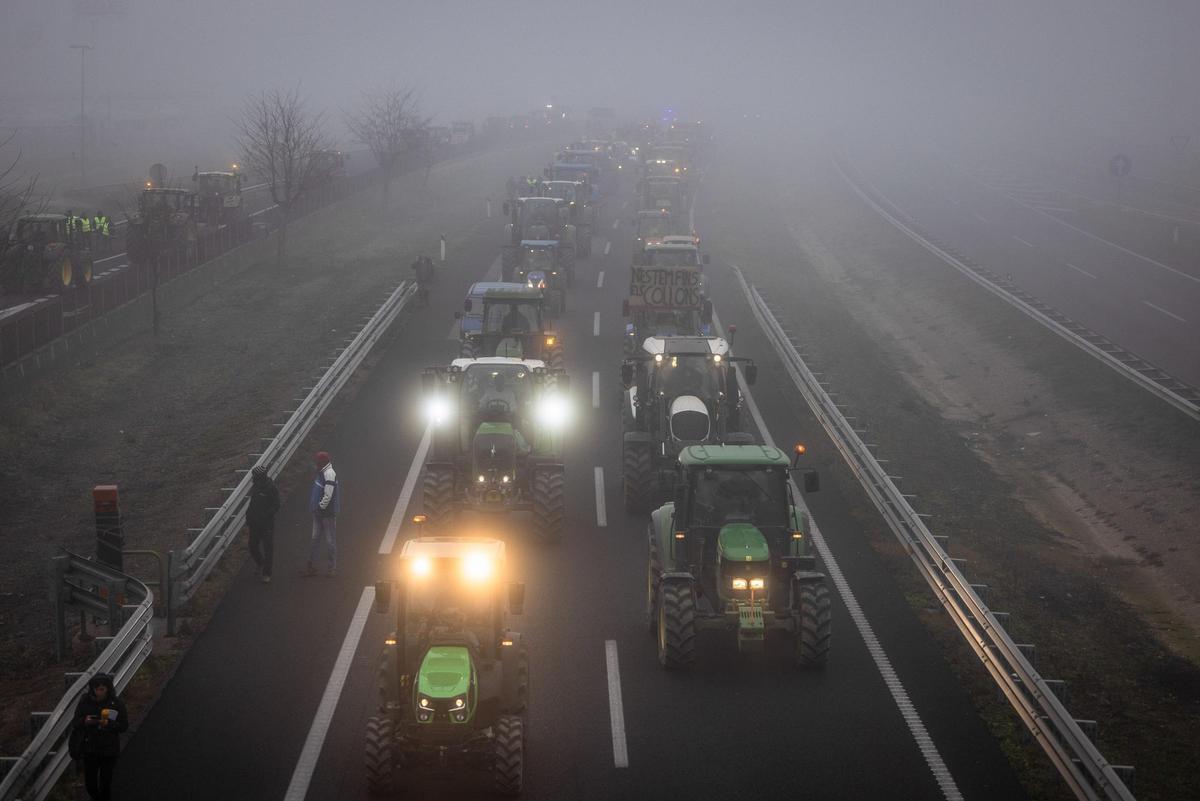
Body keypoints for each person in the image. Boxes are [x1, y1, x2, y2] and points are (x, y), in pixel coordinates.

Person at [71, 673, 128, 801]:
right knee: (90, 785)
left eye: (102, 689)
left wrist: (110, 724)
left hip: (109, 749)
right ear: (92, 689)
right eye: (97, 689)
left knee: (105, 784)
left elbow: (124, 726)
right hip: (90, 748)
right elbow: (75, 722)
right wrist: (85, 721)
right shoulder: (84, 702)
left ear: (108, 688)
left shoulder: (116, 703)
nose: (99, 692)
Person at [306, 451, 339, 577]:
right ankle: (311, 566)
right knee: (314, 539)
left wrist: (319, 507)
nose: (316, 464)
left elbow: (328, 495)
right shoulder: (322, 472)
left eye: (317, 462)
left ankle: (331, 568)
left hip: (327, 514)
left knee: (330, 541)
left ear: (322, 462)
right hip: (319, 513)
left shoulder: (329, 474)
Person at [246, 464, 281, 582]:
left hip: (267, 524)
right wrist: (249, 517)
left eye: (254, 476)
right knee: (252, 545)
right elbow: (252, 504)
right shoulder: (256, 486)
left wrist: (265, 515)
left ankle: (267, 573)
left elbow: (276, 505)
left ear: (260, 476)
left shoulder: (271, 488)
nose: (253, 478)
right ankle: (260, 562)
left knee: (268, 548)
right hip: (254, 523)